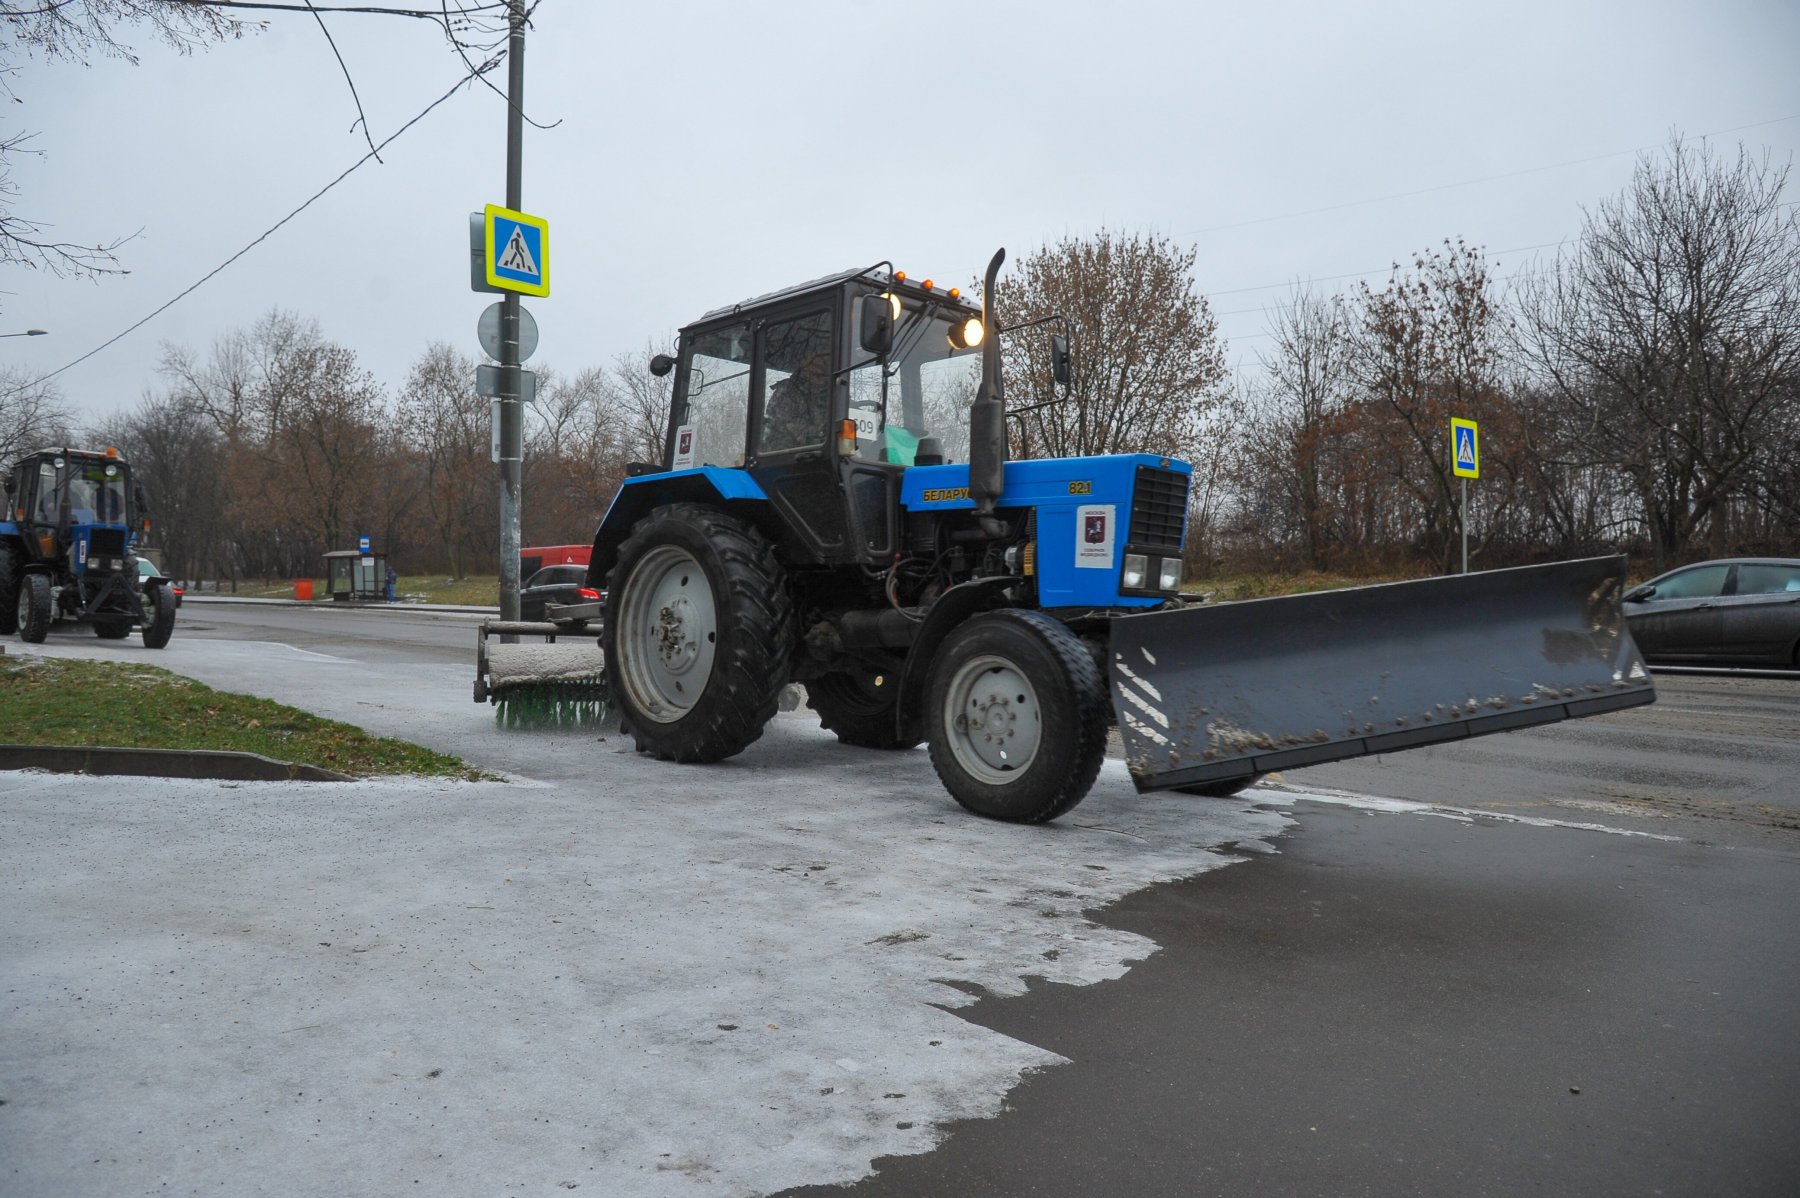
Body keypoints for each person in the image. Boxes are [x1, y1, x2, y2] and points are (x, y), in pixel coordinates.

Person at [760, 353, 831, 452]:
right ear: (806, 369)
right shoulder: (788, 391)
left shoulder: (827, 396)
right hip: (783, 455)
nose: (822, 378)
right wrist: (822, 431)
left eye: (825, 373)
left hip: (813, 453)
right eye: (818, 371)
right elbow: (791, 425)